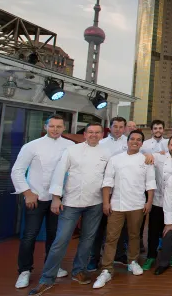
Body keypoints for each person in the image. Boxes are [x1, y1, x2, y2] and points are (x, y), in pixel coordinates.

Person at [27, 123, 109, 296]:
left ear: (102, 135)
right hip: (71, 202)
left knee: (87, 240)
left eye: (97, 132)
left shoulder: (106, 153)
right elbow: (59, 173)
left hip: (95, 202)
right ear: (85, 134)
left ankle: (79, 270)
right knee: (61, 240)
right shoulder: (72, 150)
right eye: (90, 132)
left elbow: (109, 177)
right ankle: (46, 278)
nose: (94, 135)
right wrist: (56, 198)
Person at [11, 114, 74, 290]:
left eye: (59, 126)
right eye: (52, 126)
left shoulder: (70, 146)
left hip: (58, 198)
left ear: (64, 128)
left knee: (55, 236)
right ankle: (24, 270)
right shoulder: (31, 146)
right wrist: (27, 193)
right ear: (45, 127)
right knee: (29, 236)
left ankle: (52, 266)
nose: (55, 129)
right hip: (36, 198)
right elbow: (17, 171)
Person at [92, 130, 156, 289]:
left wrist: (149, 202)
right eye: (132, 139)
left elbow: (150, 183)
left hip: (137, 204)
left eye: (139, 139)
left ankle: (132, 261)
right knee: (111, 237)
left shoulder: (146, 160)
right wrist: (106, 202)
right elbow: (108, 182)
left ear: (142, 143)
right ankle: (106, 269)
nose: (135, 141)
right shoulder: (115, 159)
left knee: (134, 235)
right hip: (117, 205)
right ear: (127, 141)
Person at [89, 117, 129, 270]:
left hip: (121, 190)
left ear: (125, 128)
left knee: (120, 227)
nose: (118, 129)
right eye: (115, 126)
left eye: (121, 127)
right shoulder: (101, 143)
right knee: (99, 226)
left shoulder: (129, 142)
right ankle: (94, 257)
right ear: (110, 127)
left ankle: (119, 254)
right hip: (102, 190)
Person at [144, 135, 172, 271]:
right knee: (153, 231)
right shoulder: (159, 157)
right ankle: (151, 256)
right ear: (168, 146)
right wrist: (149, 155)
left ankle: (169, 254)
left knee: (169, 231)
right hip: (158, 200)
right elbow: (145, 156)